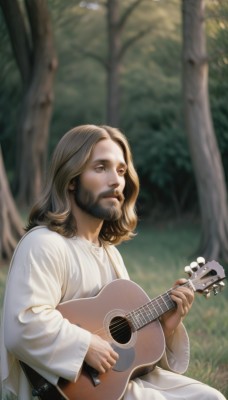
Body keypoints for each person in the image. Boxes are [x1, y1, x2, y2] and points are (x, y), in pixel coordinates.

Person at [1, 124, 226, 400]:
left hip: (113, 384)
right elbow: (22, 325)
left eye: (121, 171)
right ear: (71, 178)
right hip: (66, 390)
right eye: (101, 168)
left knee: (212, 397)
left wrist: (165, 327)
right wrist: (85, 346)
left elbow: (126, 353)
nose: (116, 181)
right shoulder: (44, 244)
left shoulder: (109, 252)